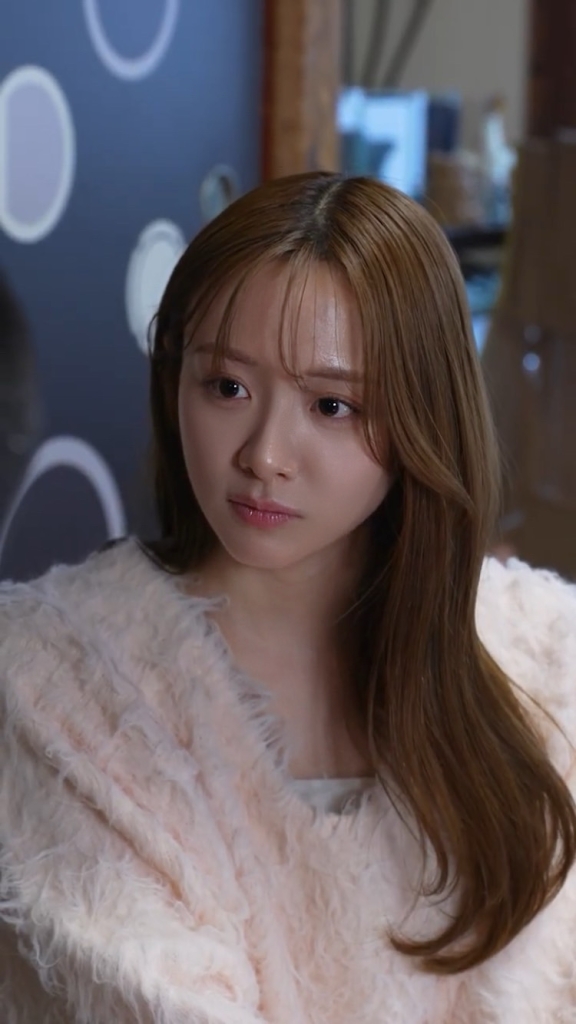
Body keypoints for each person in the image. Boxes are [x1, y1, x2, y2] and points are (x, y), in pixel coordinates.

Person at [1, 172, 576, 1023]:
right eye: (227, 387)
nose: (265, 454)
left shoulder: (547, 660)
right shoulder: (51, 680)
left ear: (423, 417)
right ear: (175, 378)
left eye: (332, 405)